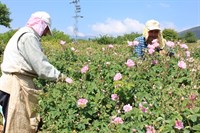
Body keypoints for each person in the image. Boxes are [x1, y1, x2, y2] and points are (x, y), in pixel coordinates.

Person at [0, 11, 69, 133]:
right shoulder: (28, 37)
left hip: (11, 83)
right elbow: (41, 66)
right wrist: (62, 77)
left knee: (15, 123)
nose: (46, 33)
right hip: (15, 85)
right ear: (41, 25)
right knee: (17, 125)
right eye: (46, 29)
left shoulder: (23, 33)